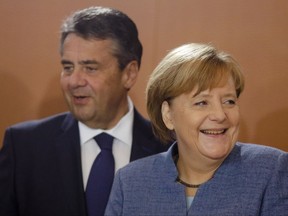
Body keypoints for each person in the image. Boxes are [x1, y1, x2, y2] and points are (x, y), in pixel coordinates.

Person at [0, 6, 169, 216]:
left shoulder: (170, 150)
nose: (74, 81)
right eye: (68, 67)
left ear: (129, 74)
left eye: (90, 68)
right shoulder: (24, 147)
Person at [105, 43, 288, 215]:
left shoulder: (270, 170)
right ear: (168, 115)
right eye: (201, 102)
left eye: (229, 101)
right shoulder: (129, 182)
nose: (220, 115)